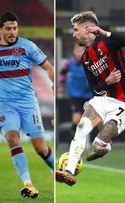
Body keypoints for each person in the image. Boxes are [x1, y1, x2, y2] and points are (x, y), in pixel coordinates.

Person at [0, 11, 55, 199]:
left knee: (40, 148)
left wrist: (54, 84)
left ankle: (58, 170)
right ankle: (28, 184)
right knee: (12, 138)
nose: (12, 32)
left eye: (15, 28)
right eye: (8, 29)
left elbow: (48, 67)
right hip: (5, 103)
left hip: (28, 102)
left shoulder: (27, 46)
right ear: (0, 30)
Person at [55, 11, 125, 186]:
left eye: (76, 29)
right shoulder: (86, 58)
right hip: (101, 99)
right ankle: (69, 171)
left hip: (121, 102)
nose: (73, 34)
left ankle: (104, 146)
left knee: (97, 144)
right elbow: (93, 87)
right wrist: (107, 81)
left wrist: (104, 32)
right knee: (82, 126)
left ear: (88, 29)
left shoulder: (108, 42)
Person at [58, 43, 93, 138]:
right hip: (74, 94)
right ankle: (74, 132)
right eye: (77, 51)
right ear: (73, 52)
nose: (79, 53)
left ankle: (102, 137)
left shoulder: (89, 62)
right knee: (76, 115)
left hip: (88, 94)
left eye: (81, 51)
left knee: (91, 117)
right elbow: (63, 73)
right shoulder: (69, 62)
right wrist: (61, 85)